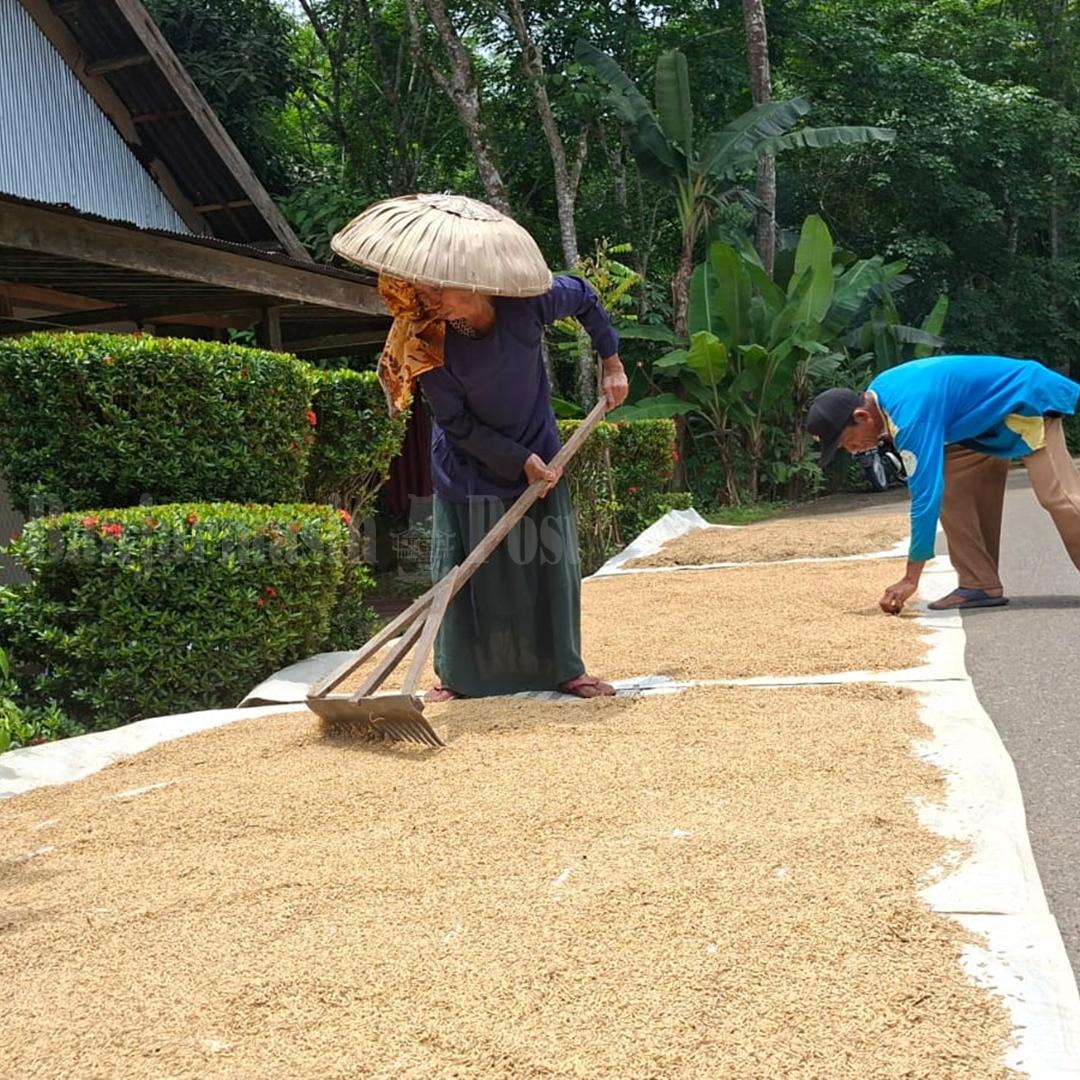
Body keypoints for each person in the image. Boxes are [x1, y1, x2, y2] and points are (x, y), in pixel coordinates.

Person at [378, 272, 629, 701]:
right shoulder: (425, 338)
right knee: (461, 577)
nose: (429, 301)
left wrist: (612, 361)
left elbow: (585, 296)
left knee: (548, 564)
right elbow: (454, 423)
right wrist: (517, 461)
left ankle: (564, 670)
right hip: (467, 464)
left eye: (438, 289)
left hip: (540, 450)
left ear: (472, 279)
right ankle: (457, 678)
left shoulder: (527, 300)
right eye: (422, 293)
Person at [806, 354, 1080, 615]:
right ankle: (979, 583)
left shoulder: (909, 415)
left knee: (1058, 495)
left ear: (862, 417)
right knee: (953, 481)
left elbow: (925, 496)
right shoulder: (879, 394)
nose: (853, 451)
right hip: (978, 424)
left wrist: (910, 578)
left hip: (1024, 401)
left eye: (847, 442)